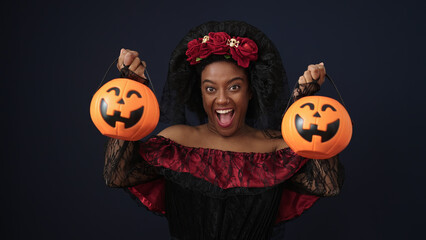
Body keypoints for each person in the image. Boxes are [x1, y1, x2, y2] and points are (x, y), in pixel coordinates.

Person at [103, 20, 344, 240]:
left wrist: (305, 105)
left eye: (234, 87)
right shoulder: (175, 142)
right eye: (210, 89)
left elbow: (327, 185)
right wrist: (132, 86)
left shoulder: (278, 148)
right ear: (200, 93)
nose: (221, 99)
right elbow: (117, 175)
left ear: (251, 91)